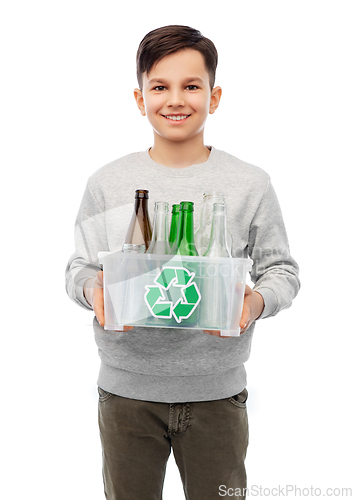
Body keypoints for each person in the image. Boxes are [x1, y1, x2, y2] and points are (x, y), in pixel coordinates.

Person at [65, 25, 300, 500]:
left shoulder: (248, 183)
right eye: (160, 86)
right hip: (126, 396)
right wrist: (95, 293)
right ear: (139, 97)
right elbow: (79, 268)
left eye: (191, 86)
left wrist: (253, 303)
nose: (176, 99)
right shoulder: (108, 183)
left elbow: (282, 271)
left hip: (217, 396)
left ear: (213, 97)